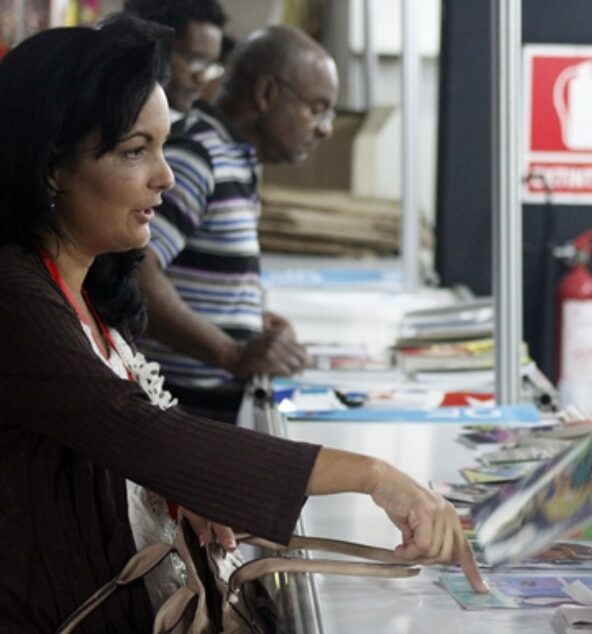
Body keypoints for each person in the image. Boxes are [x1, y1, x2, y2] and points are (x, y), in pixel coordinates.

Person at [0, 16, 485, 632]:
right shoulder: (15, 296)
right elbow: (136, 431)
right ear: (52, 167)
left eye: (162, 145)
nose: (165, 177)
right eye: (134, 152)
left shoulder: (83, 286)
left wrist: (181, 494)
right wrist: (372, 475)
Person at [135, 25, 335, 423]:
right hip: (182, 412)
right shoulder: (198, 156)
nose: (325, 128)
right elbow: (135, 271)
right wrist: (232, 352)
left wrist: (248, 320)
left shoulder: (236, 158)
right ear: (266, 94)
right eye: (317, 108)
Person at [123, 0, 228, 120]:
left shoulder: (203, 132)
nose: (202, 79)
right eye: (194, 60)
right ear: (149, 46)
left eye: (210, 64)